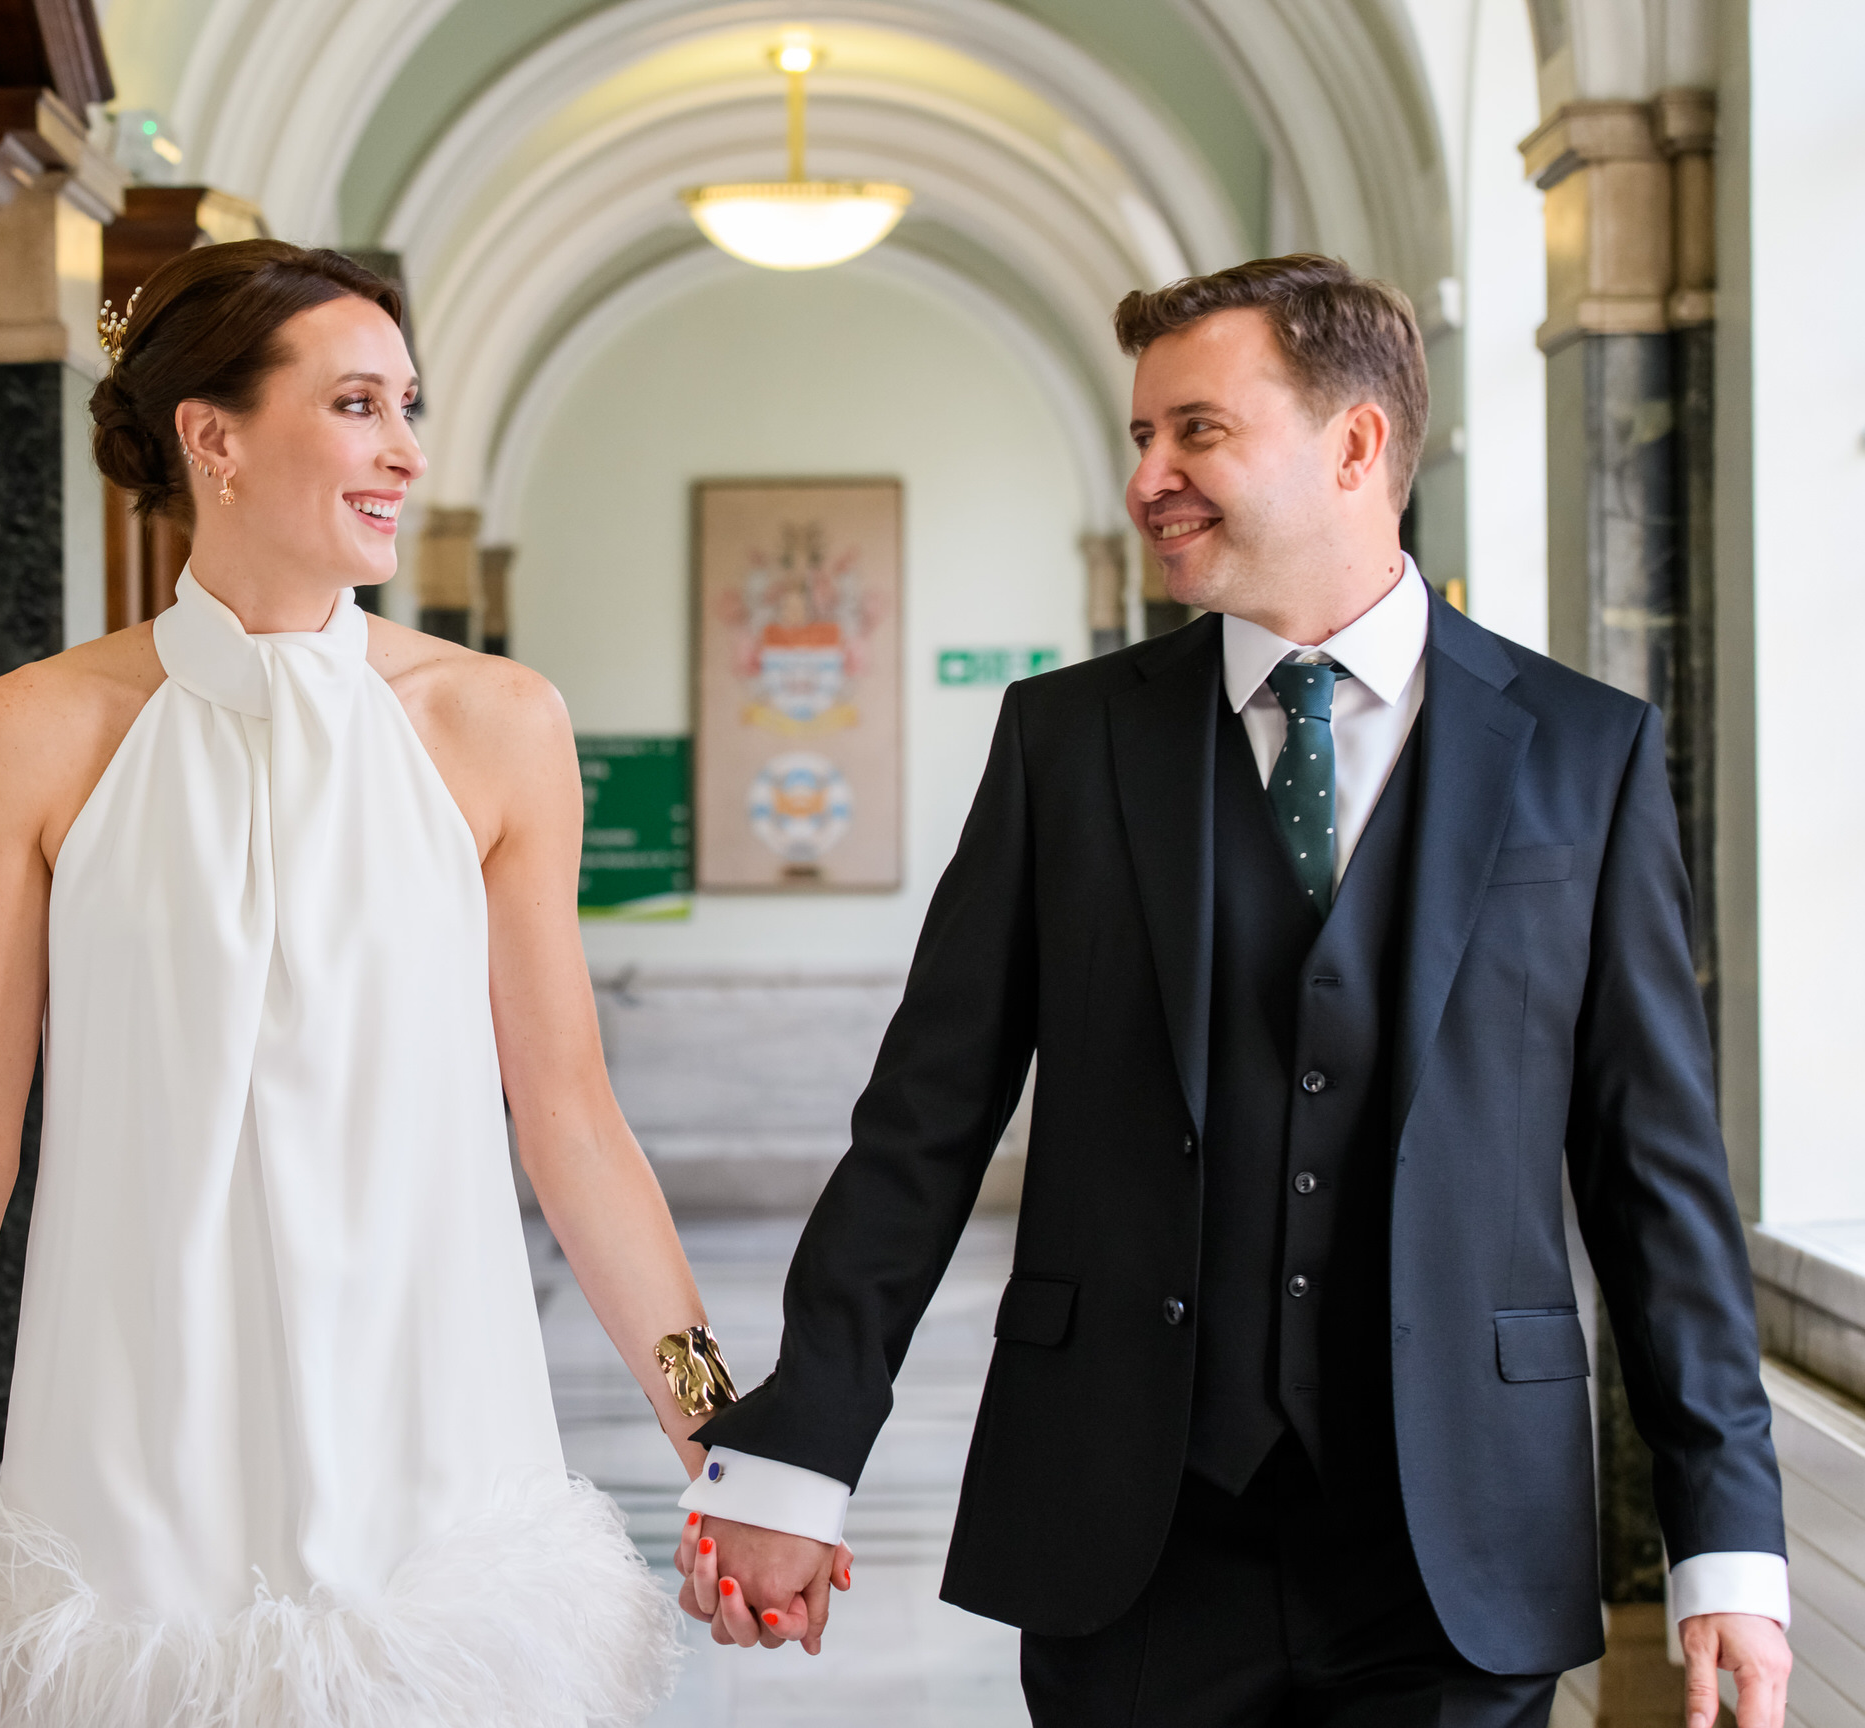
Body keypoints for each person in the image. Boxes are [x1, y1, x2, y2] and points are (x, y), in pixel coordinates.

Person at [676, 255, 1793, 1728]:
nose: (1151, 477)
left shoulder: (1583, 756)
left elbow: (1658, 1180)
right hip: (1128, 1532)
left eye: (1195, 432)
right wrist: (801, 1448)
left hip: (1454, 1537)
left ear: (1356, 445)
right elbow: (923, 1125)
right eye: (1143, 436)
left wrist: (1728, 1537)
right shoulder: (1068, 744)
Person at [0, 240, 718, 1726]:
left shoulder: (494, 723)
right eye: (358, 404)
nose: (405, 451)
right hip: (139, 1462)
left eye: (407, 405)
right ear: (212, 437)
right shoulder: (36, 730)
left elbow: (571, 1119)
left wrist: (713, 1436)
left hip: (434, 1458)